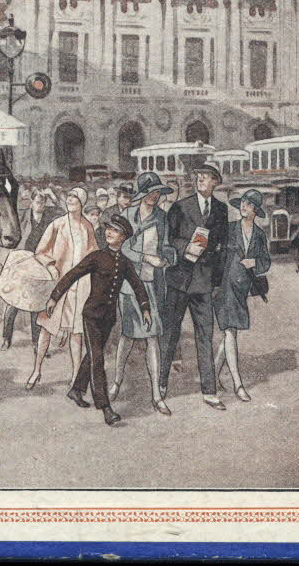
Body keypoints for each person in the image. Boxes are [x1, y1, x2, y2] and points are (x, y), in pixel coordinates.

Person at [50, 214, 151, 426]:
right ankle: (105, 407)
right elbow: (72, 275)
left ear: (123, 237)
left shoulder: (123, 262)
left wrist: (145, 308)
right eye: (108, 229)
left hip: (109, 318)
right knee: (98, 359)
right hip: (92, 315)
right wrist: (54, 297)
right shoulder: (96, 257)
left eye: (114, 230)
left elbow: (137, 285)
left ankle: (76, 390)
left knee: (92, 356)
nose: (108, 232)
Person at [159, 161, 229, 409]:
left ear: (215, 182)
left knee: (205, 336)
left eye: (207, 176)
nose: (201, 179)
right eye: (199, 176)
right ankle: (160, 385)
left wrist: (217, 282)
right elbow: (168, 240)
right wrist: (185, 247)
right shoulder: (180, 207)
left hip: (203, 282)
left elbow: (222, 248)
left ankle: (209, 391)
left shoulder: (221, 210)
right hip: (179, 279)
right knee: (169, 334)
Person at [112, 171, 178, 415]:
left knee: (152, 337)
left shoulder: (162, 218)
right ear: (142, 194)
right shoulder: (127, 215)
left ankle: (156, 395)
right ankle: (117, 381)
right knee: (127, 336)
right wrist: (144, 258)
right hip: (129, 286)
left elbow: (167, 246)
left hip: (151, 283)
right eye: (152, 191)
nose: (156, 195)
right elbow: (121, 247)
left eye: (158, 191)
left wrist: (168, 258)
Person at [27, 186, 97, 389]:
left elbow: (94, 254)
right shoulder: (57, 224)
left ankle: (75, 376)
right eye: (69, 197)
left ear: (82, 202)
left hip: (80, 287)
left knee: (77, 334)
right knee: (46, 329)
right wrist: (52, 266)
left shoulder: (87, 227)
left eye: (75, 198)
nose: (71, 200)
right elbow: (41, 251)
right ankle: (36, 370)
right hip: (59, 285)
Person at [213, 189, 272, 403]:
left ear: (255, 210)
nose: (243, 207)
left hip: (242, 289)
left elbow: (266, 262)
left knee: (229, 334)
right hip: (224, 287)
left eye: (248, 204)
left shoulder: (259, 235)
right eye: (242, 203)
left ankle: (212, 375)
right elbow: (215, 255)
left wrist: (254, 262)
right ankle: (238, 383)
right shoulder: (228, 230)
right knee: (230, 332)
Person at [0, 188, 58, 350]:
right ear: (31, 202)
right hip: (21, 261)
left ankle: (35, 342)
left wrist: (53, 195)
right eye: (38, 202)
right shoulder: (22, 215)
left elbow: (62, 210)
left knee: (36, 305)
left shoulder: (49, 217)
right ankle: (6, 338)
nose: (40, 205)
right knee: (13, 303)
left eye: (43, 202)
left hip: (39, 262)